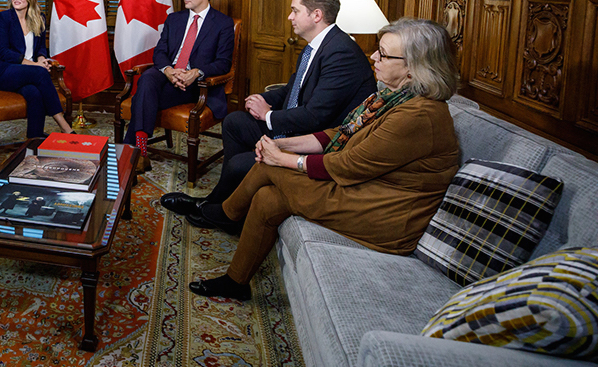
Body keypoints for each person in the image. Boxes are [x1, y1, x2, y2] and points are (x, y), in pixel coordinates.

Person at [187, 17, 460, 301]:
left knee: (272, 169)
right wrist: (284, 143)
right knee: (269, 199)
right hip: (364, 192)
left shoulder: (419, 116)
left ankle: (226, 213)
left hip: (384, 215)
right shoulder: (392, 98)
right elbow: (341, 133)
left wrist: (282, 158)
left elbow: (348, 165)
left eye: (384, 53)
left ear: (414, 69)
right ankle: (236, 282)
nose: (373, 56)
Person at [161, 0, 375, 221]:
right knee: (234, 122)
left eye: (295, 10)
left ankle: (217, 212)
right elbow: (293, 89)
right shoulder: (318, 46)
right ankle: (223, 203)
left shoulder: (341, 52)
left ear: (316, 15)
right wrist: (263, 99)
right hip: (299, 124)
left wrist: (268, 115)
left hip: (315, 138)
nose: (289, 17)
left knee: (239, 164)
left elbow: (317, 116)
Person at [123, 0, 234, 172]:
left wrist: (196, 72)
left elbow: (223, 63)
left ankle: (132, 150)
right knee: (148, 79)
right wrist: (167, 71)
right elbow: (160, 52)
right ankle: (141, 151)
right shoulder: (174, 19)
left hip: (196, 86)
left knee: (143, 96)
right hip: (168, 76)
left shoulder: (223, 23)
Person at [0, 0, 73, 138]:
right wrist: (35, 65)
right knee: (40, 74)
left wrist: (41, 59)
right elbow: (3, 52)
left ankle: (34, 139)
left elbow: (41, 47)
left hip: (29, 73)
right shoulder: (3, 18)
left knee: (34, 93)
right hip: (5, 72)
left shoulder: (38, 18)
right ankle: (65, 126)